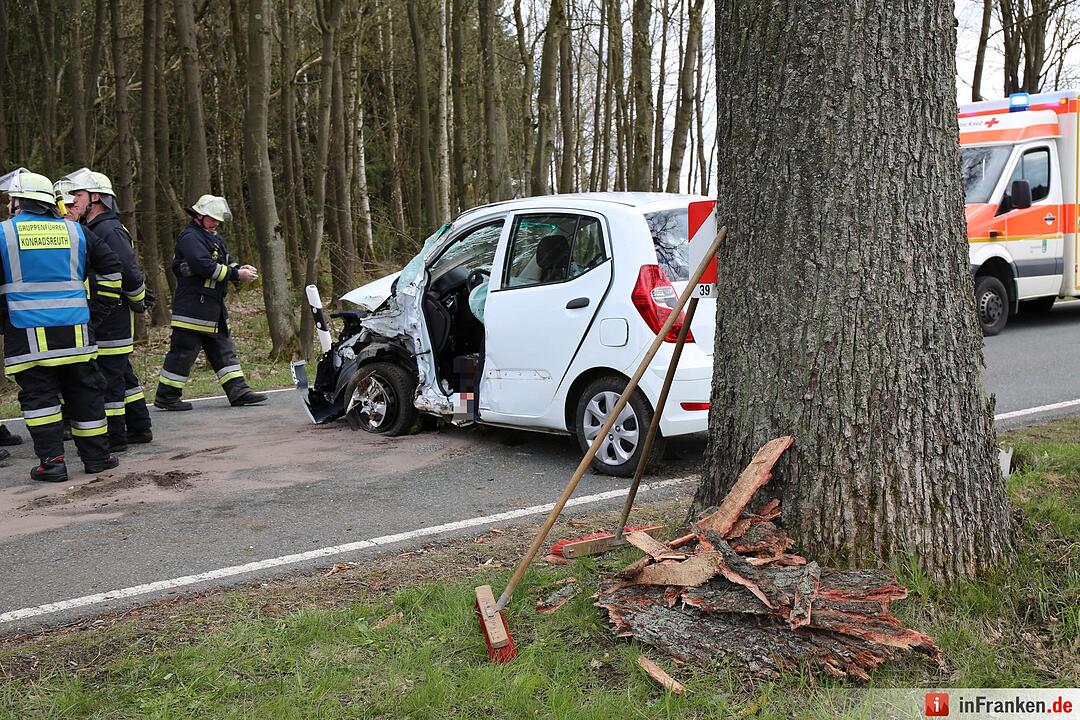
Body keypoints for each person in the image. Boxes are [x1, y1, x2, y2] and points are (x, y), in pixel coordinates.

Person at [0, 168, 121, 482]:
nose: (8, 204)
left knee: (40, 399)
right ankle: (97, 458)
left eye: (10, 199)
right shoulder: (76, 231)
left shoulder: (4, 233)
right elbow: (112, 269)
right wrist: (97, 312)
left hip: (26, 334)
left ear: (18, 202)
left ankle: (52, 463)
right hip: (76, 332)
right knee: (86, 393)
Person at [61, 169, 154, 451]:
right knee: (122, 375)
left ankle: (114, 438)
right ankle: (139, 427)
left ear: (96, 198)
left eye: (77, 195)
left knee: (108, 381)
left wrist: (138, 300)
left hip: (111, 318)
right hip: (106, 316)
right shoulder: (93, 228)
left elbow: (128, 273)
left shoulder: (108, 230)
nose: (72, 201)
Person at [153, 195, 266, 410]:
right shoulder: (190, 238)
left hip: (212, 309)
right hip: (192, 309)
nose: (216, 223)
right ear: (199, 216)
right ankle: (167, 396)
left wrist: (240, 268)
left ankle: (238, 391)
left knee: (224, 350)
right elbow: (203, 266)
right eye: (212, 219)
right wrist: (236, 274)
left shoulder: (212, 237)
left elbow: (226, 259)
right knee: (183, 354)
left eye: (218, 220)